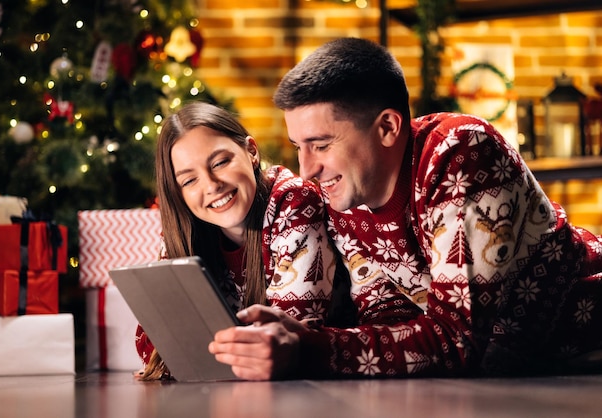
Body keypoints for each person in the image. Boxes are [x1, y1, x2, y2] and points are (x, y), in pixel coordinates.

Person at [208, 37, 602, 380]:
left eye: (321, 144)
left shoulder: (460, 151)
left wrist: (308, 348)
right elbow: (389, 322)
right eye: (299, 147)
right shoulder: (348, 192)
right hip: (518, 381)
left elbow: (458, 339)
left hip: (583, 353)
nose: (307, 169)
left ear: (388, 128)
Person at [136, 101, 337, 379]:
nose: (211, 185)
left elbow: (287, 335)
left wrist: (201, 347)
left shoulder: (294, 202)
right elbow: (154, 346)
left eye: (220, 162)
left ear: (251, 152)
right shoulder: (186, 229)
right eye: (189, 181)